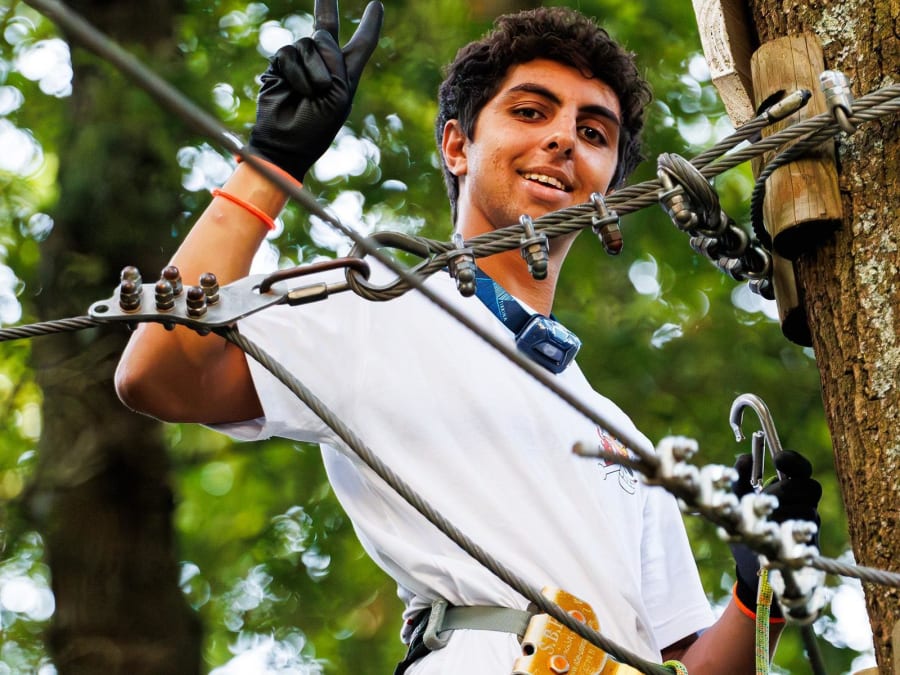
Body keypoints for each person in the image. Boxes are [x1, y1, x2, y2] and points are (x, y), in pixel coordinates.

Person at [115, 1, 821, 672]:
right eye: (530, 111)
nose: (562, 138)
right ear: (457, 146)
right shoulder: (377, 300)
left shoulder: (622, 437)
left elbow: (687, 666)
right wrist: (271, 161)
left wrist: (760, 588)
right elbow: (159, 373)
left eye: (594, 133)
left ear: (610, 186)